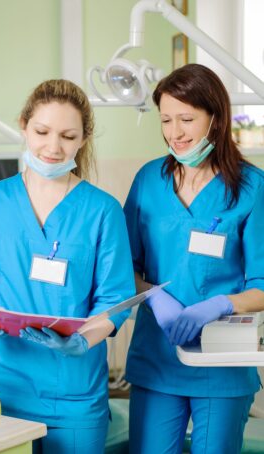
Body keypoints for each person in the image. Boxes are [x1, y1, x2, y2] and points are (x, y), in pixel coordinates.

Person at [0, 79, 135, 453]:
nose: (53, 147)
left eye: (68, 136)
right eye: (42, 131)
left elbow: (115, 297)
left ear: (84, 139)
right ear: (23, 125)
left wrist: (84, 338)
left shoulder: (102, 211)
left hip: (73, 391)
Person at [124, 63, 264, 454]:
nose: (175, 132)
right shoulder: (149, 180)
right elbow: (124, 266)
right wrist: (153, 295)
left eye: (187, 119)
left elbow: (263, 283)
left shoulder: (252, 188)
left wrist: (219, 305)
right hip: (157, 357)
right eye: (166, 119)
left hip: (222, 361)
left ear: (215, 119)